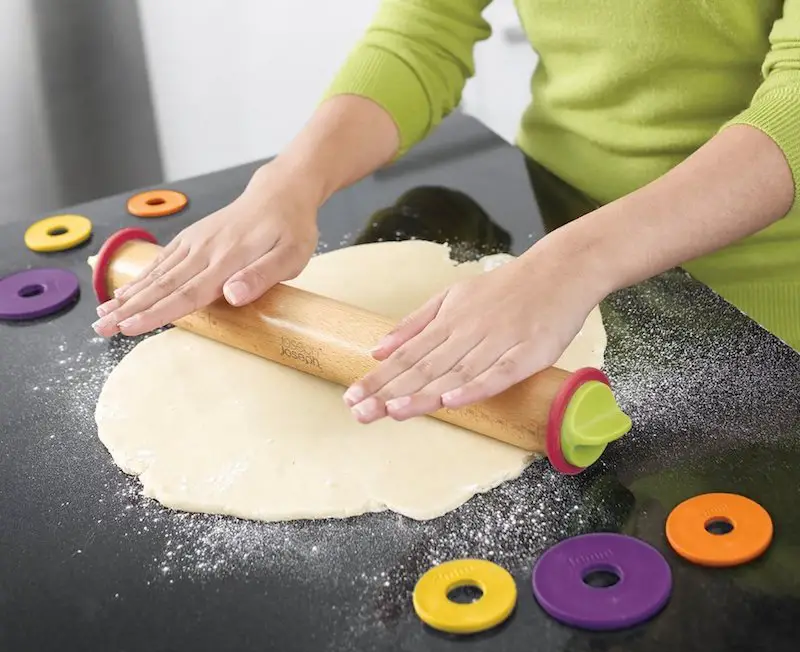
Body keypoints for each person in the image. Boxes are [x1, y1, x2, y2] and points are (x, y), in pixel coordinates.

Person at [93, 0, 799, 426]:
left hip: (761, 296)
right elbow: (423, 32)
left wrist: (571, 265)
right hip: (557, 235)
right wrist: (290, 181)